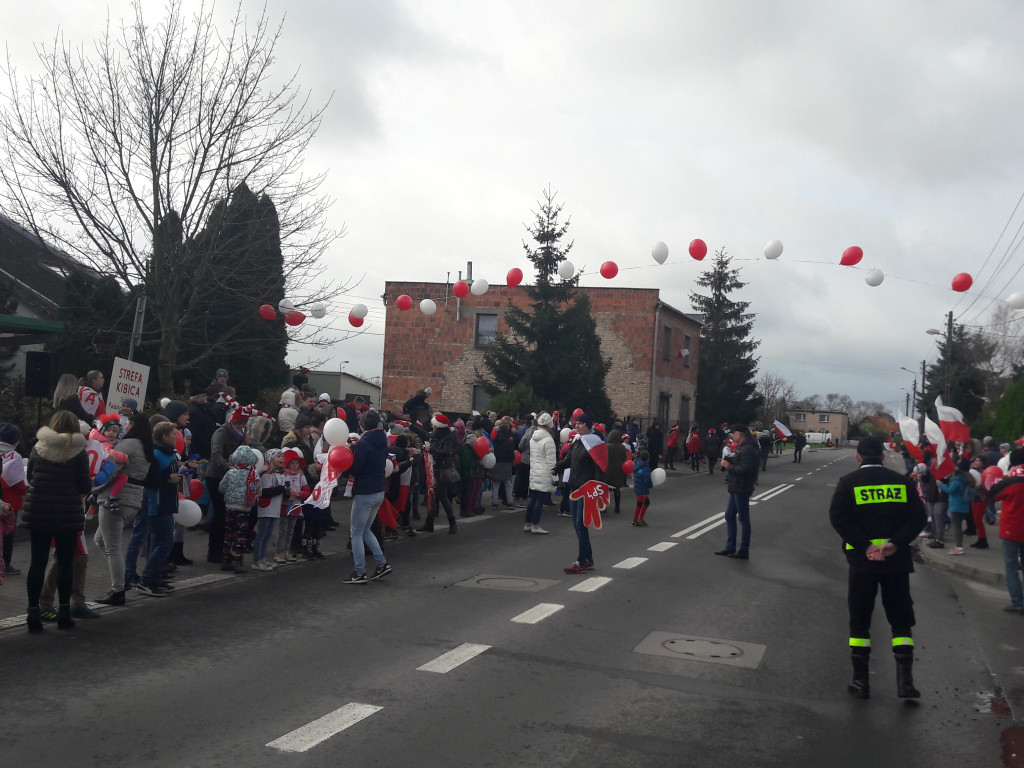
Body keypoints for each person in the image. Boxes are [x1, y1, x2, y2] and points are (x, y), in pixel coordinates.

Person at [828, 436, 928, 699]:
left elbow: (838, 518)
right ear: (883, 457)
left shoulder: (848, 483)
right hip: (896, 563)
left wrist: (865, 546)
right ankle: (905, 683)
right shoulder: (902, 482)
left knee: (860, 620)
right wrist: (896, 543)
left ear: (858, 456)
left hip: (862, 564)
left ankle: (861, 682)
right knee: (900, 620)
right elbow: (918, 517)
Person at [22, 410, 93, 632]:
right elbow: (84, 486)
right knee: (65, 563)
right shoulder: (78, 451)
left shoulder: (38, 447)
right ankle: (64, 612)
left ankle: (33, 612)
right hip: (67, 511)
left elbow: (30, 476)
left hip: (39, 510)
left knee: (37, 562)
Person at [94, 412, 152, 606]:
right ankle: (121, 579)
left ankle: (118, 590)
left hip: (115, 498)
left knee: (112, 547)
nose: (124, 427)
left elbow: (110, 471)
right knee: (100, 540)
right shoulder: (146, 447)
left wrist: (92, 486)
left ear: (133, 425)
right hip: (134, 499)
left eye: (127, 424)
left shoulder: (128, 444)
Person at [342, 409, 392, 583]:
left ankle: (359, 571)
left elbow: (356, 470)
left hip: (365, 491)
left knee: (355, 532)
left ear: (362, 425)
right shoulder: (382, 440)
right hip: (378, 489)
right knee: (365, 530)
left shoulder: (364, 443)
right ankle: (381, 563)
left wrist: (344, 466)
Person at [557, 412, 605, 573]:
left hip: (587, 488)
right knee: (577, 525)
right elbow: (569, 460)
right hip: (574, 486)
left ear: (588, 425)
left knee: (580, 523)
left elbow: (600, 468)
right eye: (576, 423)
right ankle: (588, 558)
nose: (576, 426)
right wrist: (559, 466)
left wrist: (598, 489)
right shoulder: (577, 441)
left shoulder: (595, 443)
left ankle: (582, 560)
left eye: (579, 423)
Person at [715, 426, 759, 559]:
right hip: (735, 486)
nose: (732, 436)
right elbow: (740, 461)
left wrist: (730, 466)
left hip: (742, 487)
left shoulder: (749, 448)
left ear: (741, 434)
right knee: (729, 515)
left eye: (734, 434)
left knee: (744, 519)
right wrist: (731, 459)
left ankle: (744, 550)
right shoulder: (742, 446)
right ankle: (730, 546)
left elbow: (746, 469)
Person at [991, 450, 1024, 614]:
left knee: (1011, 567)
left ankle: (1018, 603)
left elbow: (994, 494)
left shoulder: (1010, 480)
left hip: (1011, 529)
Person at [218, 444, 260, 573]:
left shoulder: (230, 473)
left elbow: (221, 488)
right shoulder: (253, 475)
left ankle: (225, 559)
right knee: (241, 535)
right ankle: (238, 561)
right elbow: (258, 491)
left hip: (230, 507)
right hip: (244, 508)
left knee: (228, 533)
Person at [0, 423, 26, 576]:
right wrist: (26, 489)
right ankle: (6, 564)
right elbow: (18, 484)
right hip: (10, 502)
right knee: (8, 535)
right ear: (16, 441)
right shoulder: (15, 456)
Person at [524, 412, 557, 534]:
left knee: (533, 499)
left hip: (534, 471)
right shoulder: (548, 440)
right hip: (544, 472)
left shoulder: (533, 437)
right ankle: (536, 525)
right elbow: (551, 461)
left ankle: (528, 523)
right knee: (540, 500)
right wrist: (555, 477)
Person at [937, 460, 977, 556]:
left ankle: (959, 547)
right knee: (958, 526)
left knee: (957, 527)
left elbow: (950, 490)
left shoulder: (957, 480)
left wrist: (940, 484)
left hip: (956, 506)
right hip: (964, 505)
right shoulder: (968, 479)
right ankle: (959, 546)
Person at [603, 429, 628, 515]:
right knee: (617, 489)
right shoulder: (622, 447)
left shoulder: (606, 446)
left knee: (606, 489)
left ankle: (604, 506)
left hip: (608, 469)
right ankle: (617, 507)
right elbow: (625, 458)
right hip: (619, 469)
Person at [632, 450, 653, 527]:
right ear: (648, 458)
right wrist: (650, 485)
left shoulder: (637, 465)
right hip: (642, 488)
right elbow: (647, 478)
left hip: (638, 487)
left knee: (646, 502)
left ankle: (639, 519)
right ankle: (636, 520)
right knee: (640, 504)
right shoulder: (645, 467)